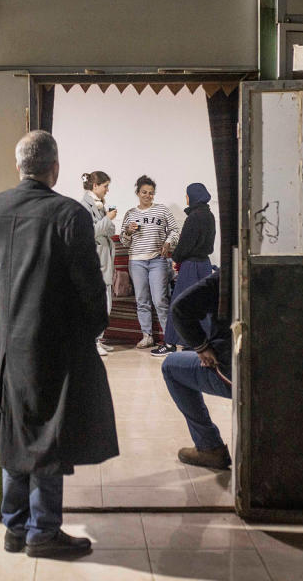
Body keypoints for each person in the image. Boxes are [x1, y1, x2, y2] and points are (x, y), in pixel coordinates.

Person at [0, 131, 119, 558]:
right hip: (53, 343)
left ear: (18, 165)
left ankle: (14, 528)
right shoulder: (68, 214)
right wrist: (95, 326)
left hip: (8, 343)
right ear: (54, 169)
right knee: (46, 436)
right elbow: (89, 285)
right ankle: (43, 532)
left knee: (16, 430)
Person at [161, 271, 233, 469]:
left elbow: (180, 309)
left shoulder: (229, 274)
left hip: (235, 373)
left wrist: (201, 347)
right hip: (288, 374)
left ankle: (209, 447)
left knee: (171, 367)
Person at [120, 175, 179, 351]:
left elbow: (175, 231)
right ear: (138, 193)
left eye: (151, 193)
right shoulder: (130, 214)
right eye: (144, 192)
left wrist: (169, 242)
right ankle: (147, 336)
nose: (148, 196)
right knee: (142, 300)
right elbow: (124, 242)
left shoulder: (162, 210)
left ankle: (169, 339)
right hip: (136, 261)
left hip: (157, 260)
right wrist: (128, 232)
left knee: (160, 299)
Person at [157, 182, 216, 356]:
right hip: (204, 265)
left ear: (192, 196)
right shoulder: (209, 215)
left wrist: (175, 257)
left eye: (187, 195)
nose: (186, 198)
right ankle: (199, 343)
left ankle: (171, 343)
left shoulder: (194, 217)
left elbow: (185, 245)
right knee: (202, 305)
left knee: (180, 305)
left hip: (191, 266)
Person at [80, 171, 118, 356]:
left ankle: (99, 339)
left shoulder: (100, 205)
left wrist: (106, 221)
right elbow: (90, 231)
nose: (107, 190)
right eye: (105, 186)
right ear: (95, 186)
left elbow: (110, 230)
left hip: (105, 257)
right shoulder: (84, 206)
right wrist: (107, 219)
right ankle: (93, 341)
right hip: (96, 258)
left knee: (106, 301)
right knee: (98, 302)